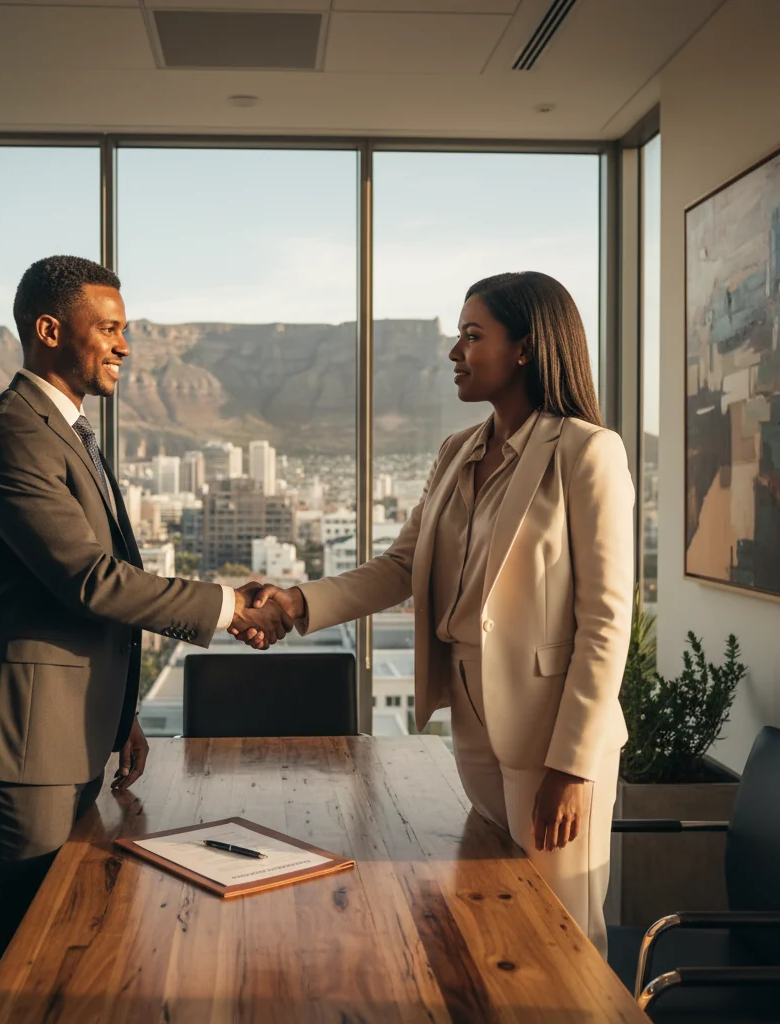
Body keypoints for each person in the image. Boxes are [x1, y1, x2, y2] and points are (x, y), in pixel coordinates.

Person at [0, 255, 290, 1010]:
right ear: (49, 329)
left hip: (62, 729)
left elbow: (79, 595)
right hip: (20, 741)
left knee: (60, 933)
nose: (126, 346)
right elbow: (92, 581)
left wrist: (119, 711)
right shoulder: (12, 436)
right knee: (17, 950)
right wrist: (230, 606)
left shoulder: (65, 432)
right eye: (111, 329)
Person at [243, 271, 633, 956]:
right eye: (458, 336)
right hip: (474, 720)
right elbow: (401, 567)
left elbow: (606, 622)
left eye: (473, 336)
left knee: (565, 931)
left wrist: (572, 768)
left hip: (552, 733)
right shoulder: (458, 452)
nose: (454, 352)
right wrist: (296, 603)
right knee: (503, 913)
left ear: (526, 348)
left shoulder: (587, 453)